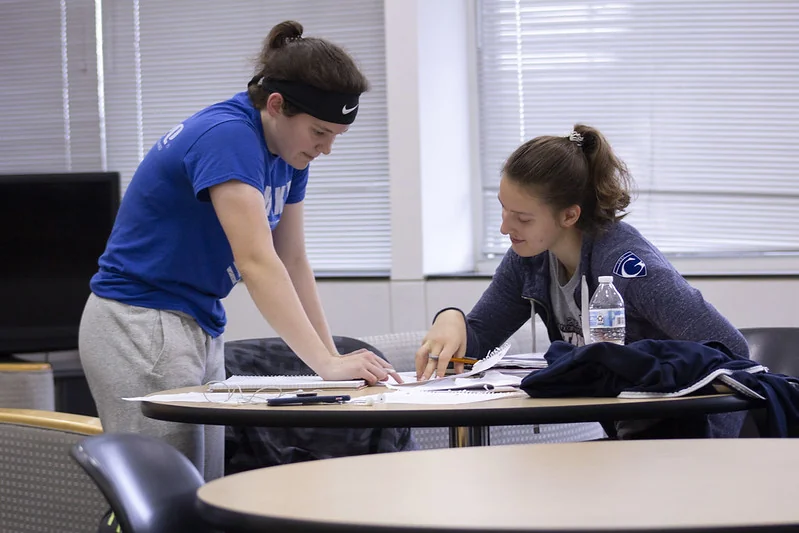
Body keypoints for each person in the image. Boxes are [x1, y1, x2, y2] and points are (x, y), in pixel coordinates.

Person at [79, 20, 398, 481]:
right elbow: (256, 261)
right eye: (319, 132)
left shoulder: (290, 153)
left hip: (198, 319)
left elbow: (292, 259)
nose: (326, 148)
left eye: (335, 136)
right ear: (276, 105)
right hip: (141, 322)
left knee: (204, 486)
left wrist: (334, 363)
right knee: (167, 494)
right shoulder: (227, 138)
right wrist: (325, 363)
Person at [415, 124, 749, 438]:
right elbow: (479, 345)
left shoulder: (628, 266)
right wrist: (451, 318)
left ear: (569, 215)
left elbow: (731, 350)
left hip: (687, 440)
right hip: (626, 438)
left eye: (523, 218)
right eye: (503, 210)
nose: (505, 228)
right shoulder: (528, 260)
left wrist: (713, 449)